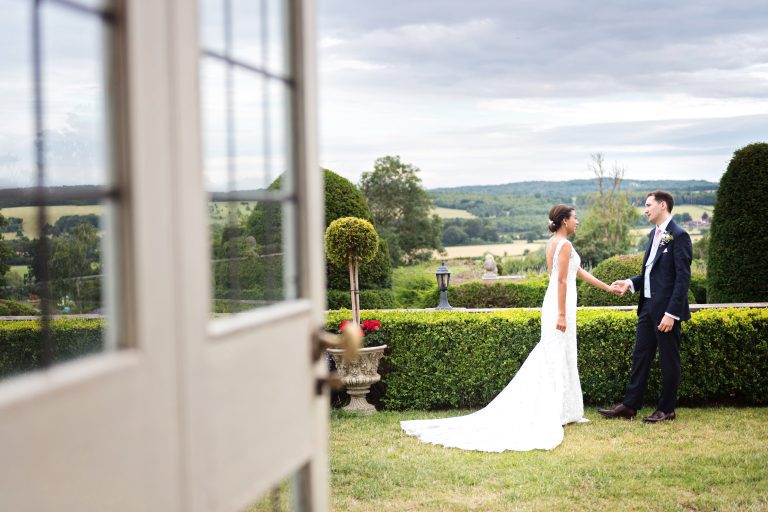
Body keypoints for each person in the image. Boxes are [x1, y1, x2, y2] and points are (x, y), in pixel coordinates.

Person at [400, 205, 618, 452]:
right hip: (560, 304)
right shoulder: (564, 245)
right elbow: (560, 279)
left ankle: (566, 410)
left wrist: (607, 288)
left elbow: (576, 271)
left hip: (557, 301)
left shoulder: (553, 242)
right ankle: (552, 412)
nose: (577, 222)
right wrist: (561, 313)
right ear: (564, 221)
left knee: (564, 354)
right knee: (554, 356)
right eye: (575, 218)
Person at [599, 190, 692, 423]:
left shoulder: (679, 235)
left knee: (669, 360)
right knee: (640, 356)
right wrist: (630, 283)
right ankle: (630, 406)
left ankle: (667, 409)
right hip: (647, 307)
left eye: (649, 205)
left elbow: (682, 279)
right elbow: (649, 273)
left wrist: (671, 314)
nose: (645, 209)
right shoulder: (654, 234)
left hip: (666, 312)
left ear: (662, 206)